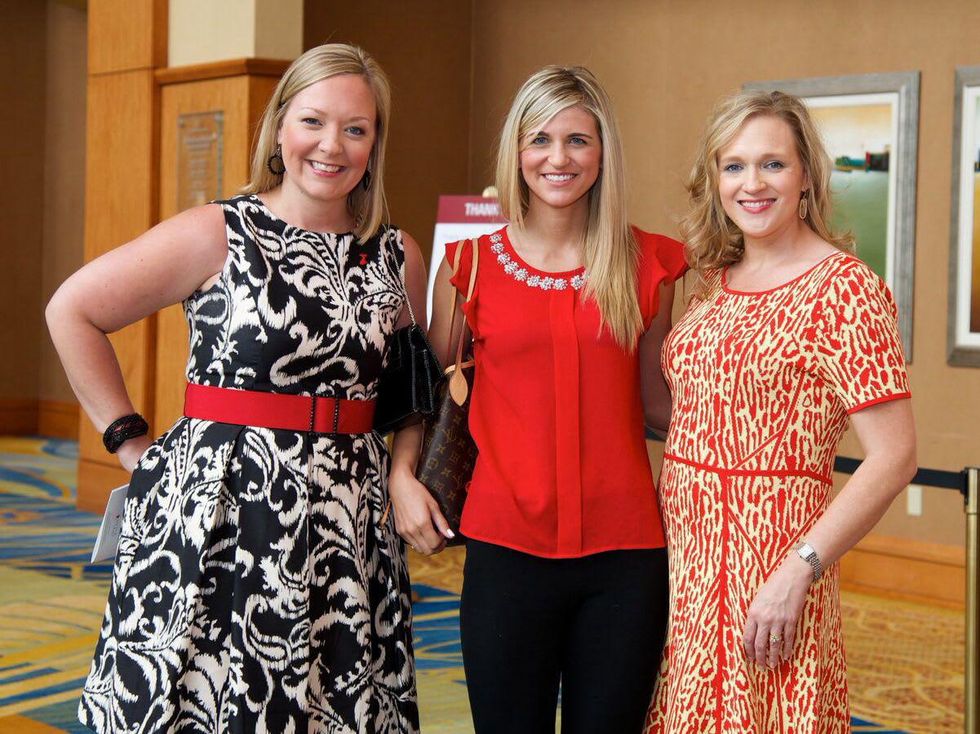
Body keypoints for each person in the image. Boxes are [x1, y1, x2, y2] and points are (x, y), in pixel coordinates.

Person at [46, 43, 423, 733]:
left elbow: (411, 391)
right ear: (280, 127)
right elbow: (73, 310)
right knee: (206, 700)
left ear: (375, 142)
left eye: (356, 129)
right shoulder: (218, 231)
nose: (331, 145)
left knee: (333, 707)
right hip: (222, 515)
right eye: (313, 121)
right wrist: (131, 447)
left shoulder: (396, 254)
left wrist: (402, 470)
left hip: (348, 522)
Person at [387, 66, 686, 733]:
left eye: (578, 140)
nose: (558, 158)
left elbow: (657, 407)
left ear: (602, 150)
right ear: (516, 152)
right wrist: (401, 474)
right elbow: (435, 396)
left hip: (626, 557)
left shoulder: (649, 265)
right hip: (505, 553)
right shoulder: (467, 266)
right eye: (540, 139)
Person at [644, 90, 917, 733]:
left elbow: (895, 455)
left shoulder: (844, 289)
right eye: (733, 166)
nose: (752, 183)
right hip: (686, 571)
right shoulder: (717, 281)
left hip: (774, 573)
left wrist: (798, 572)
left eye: (773, 164)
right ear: (714, 180)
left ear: (806, 177)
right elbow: (686, 417)